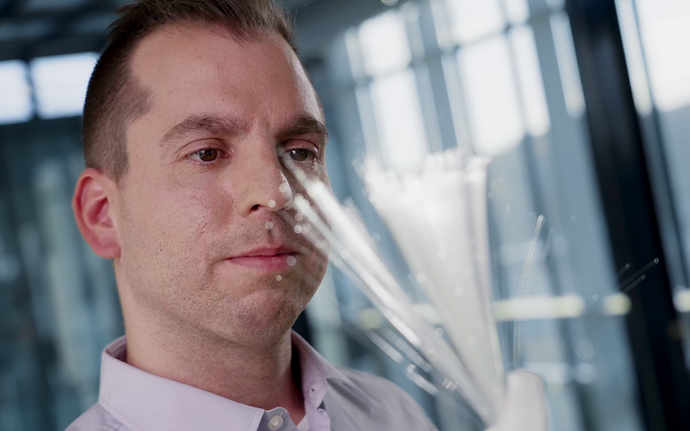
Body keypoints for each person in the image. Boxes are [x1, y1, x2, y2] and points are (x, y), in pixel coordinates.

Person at [67, 0, 547, 430]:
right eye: (207, 153)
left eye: (299, 152)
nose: (276, 192)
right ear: (103, 215)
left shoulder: (391, 414)